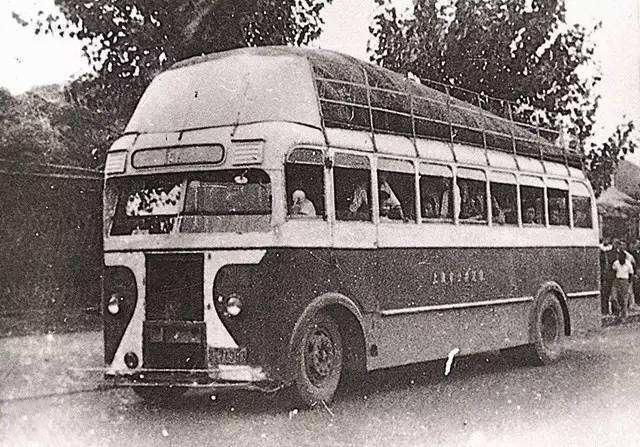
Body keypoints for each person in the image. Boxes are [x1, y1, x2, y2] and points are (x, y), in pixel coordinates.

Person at [610, 249, 634, 319]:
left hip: (625, 281)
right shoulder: (616, 263)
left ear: (624, 258)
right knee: (613, 297)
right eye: (619, 258)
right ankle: (618, 309)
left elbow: (631, 274)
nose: (621, 259)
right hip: (617, 280)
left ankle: (624, 316)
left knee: (624, 299)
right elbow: (613, 272)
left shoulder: (628, 264)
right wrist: (614, 281)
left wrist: (628, 284)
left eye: (622, 258)